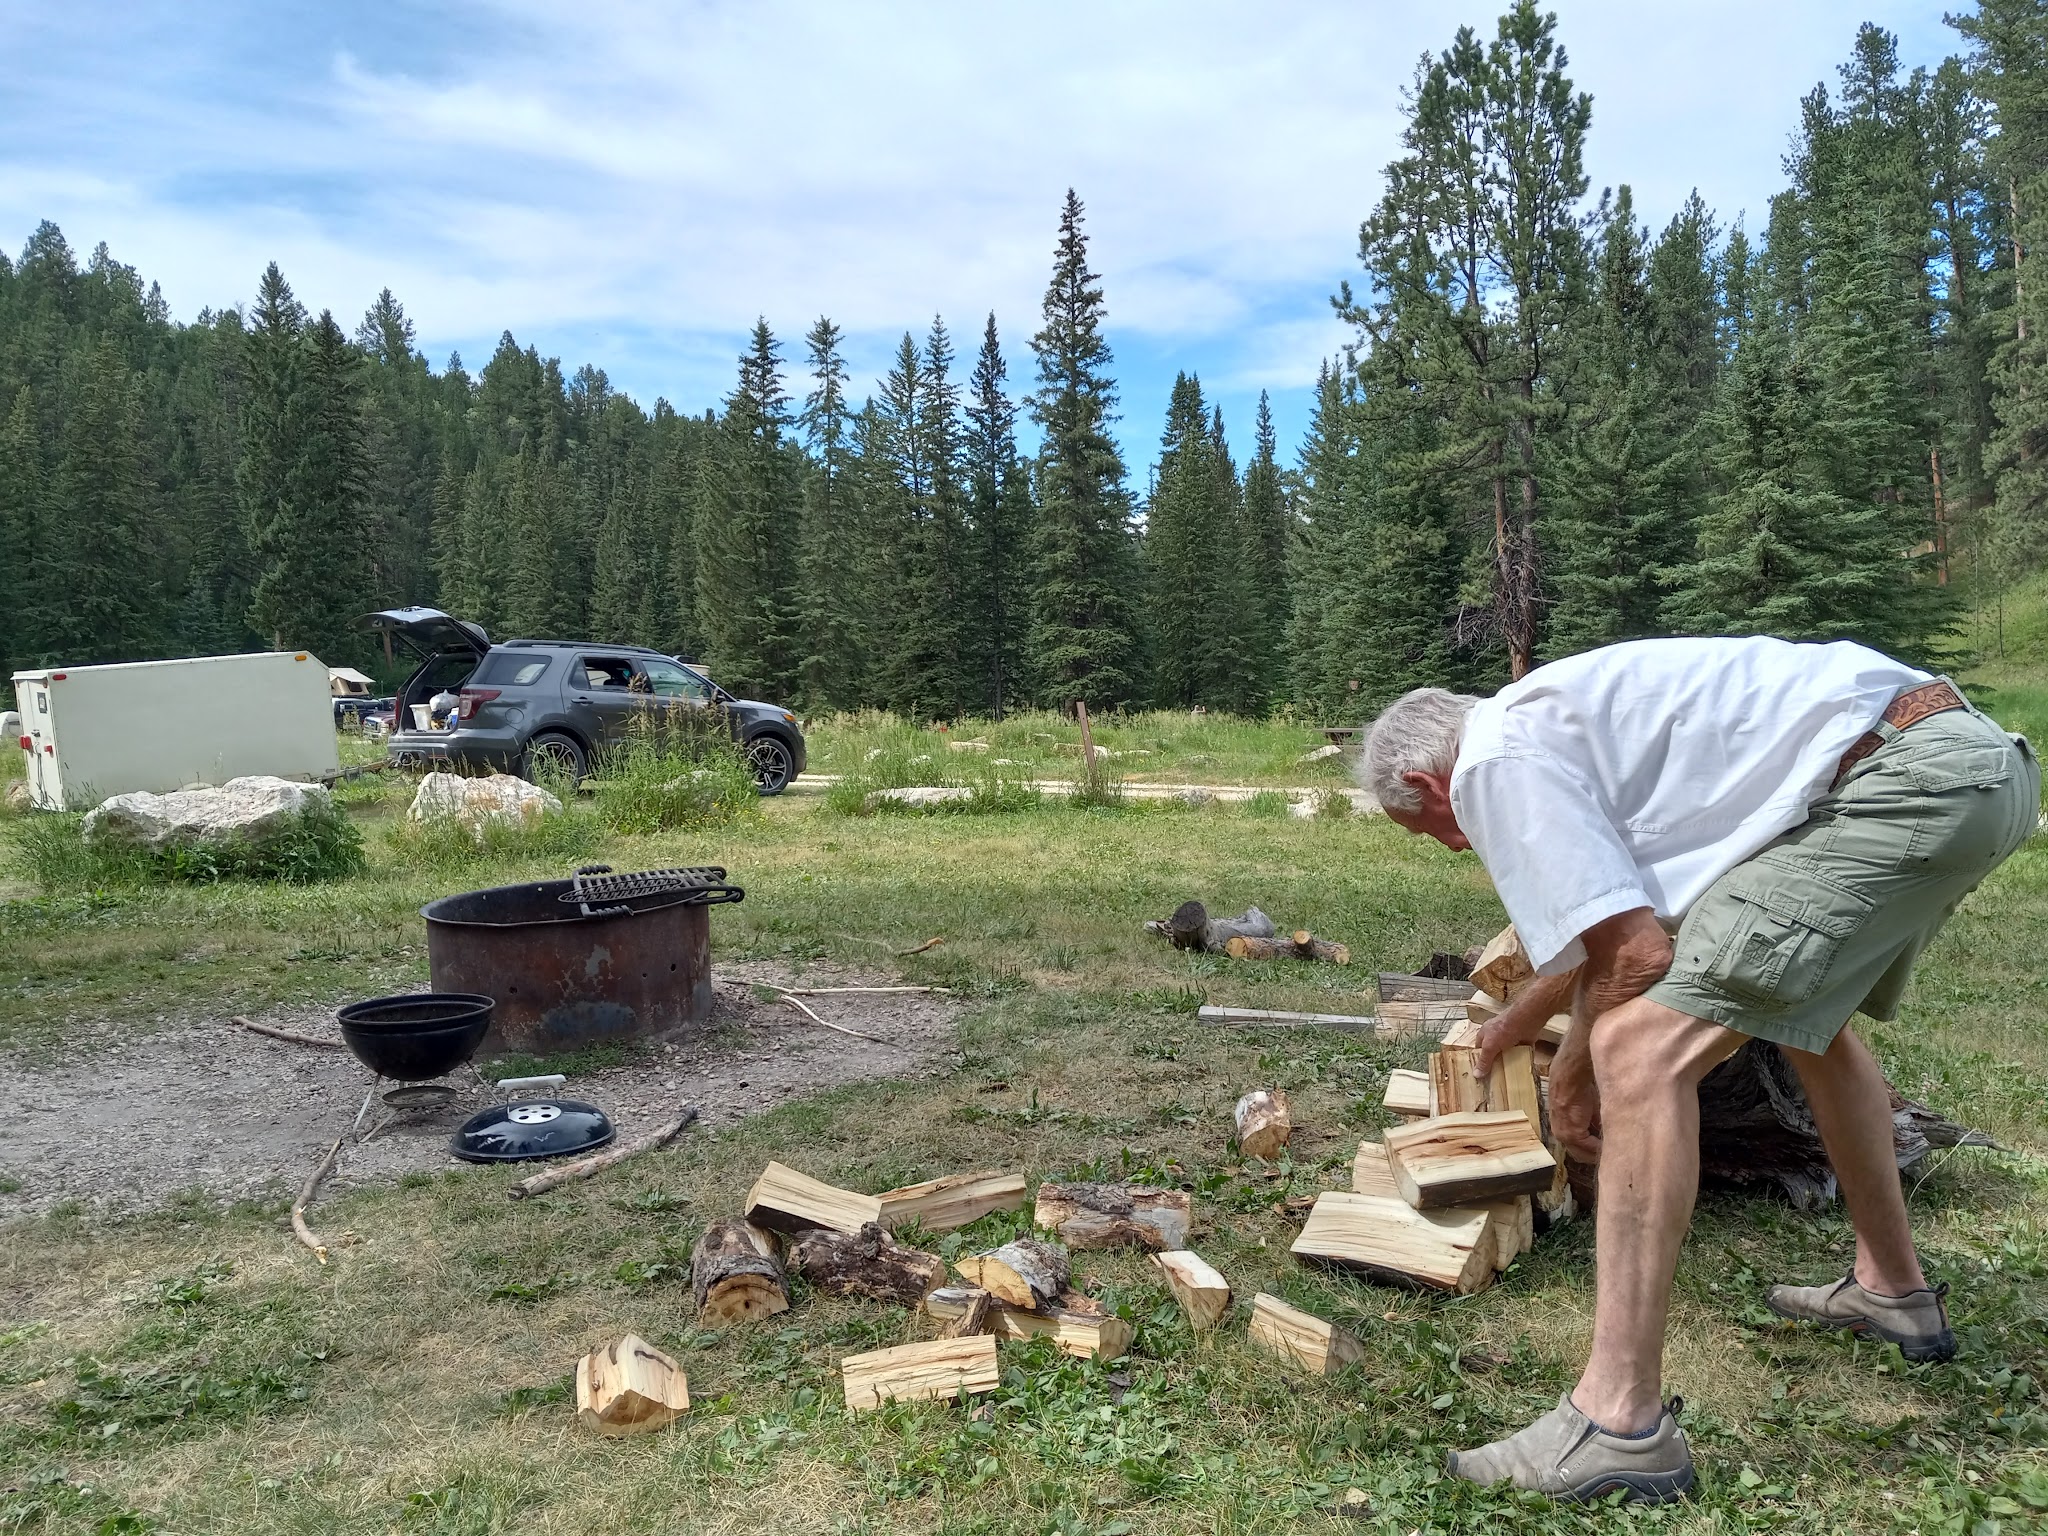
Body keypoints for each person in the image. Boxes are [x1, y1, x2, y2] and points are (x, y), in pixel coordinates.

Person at [1362, 636, 2038, 1505]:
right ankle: (1893, 1293)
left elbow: (1636, 958)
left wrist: (1573, 1078)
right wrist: (1523, 1018)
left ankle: (1617, 1423)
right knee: (1807, 1027)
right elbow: (1615, 926)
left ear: (1425, 784)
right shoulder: (1557, 723)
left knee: (1633, 1047)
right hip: (1969, 766)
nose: (1454, 848)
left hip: (1904, 784)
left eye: (1431, 831)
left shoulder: (1495, 758)